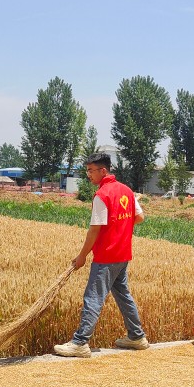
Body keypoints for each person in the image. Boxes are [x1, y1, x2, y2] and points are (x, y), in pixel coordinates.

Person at [54, 152, 149, 358]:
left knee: (93, 297)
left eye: (90, 170)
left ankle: (80, 343)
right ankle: (137, 337)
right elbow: (139, 217)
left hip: (106, 256)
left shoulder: (102, 195)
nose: (88, 174)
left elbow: (94, 230)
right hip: (122, 255)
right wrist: (121, 223)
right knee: (123, 296)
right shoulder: (126, 191)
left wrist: (82, 256)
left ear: (103, 170)